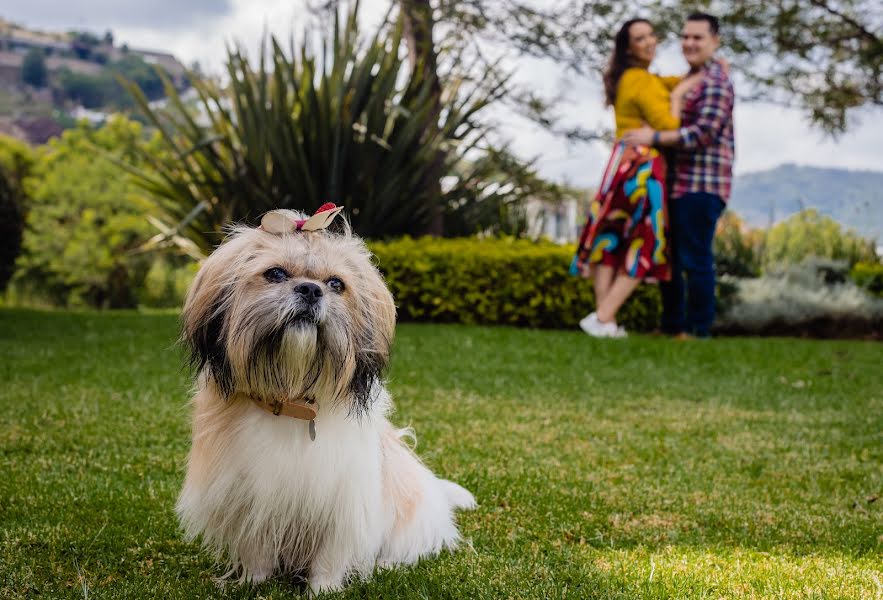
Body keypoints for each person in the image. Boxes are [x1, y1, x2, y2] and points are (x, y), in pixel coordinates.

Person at [572, 18, 701, 338]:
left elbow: (670, 81)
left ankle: (605, 323)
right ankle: (603, 316)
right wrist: (680, 94)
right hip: (643, 167)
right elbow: (670, 125)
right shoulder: (641, 81)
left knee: (610, 238)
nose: (650, 42)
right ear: (628, 48)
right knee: (645, 240)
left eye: (651, 35)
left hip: (622, 165)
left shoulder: (637, 78)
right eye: (640, 38)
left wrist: (685, 81)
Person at [622, 12, 735, 339]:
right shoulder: (689, 80)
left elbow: (703, 134)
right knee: (668, 254)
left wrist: (653, 138)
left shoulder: (716, 83)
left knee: (695, 257)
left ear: (714, 41)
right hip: (673, 182)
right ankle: (673, 325)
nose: (689, 43)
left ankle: (699, 329)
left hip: (703, 184)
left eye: (698, 37)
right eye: (685, 37)